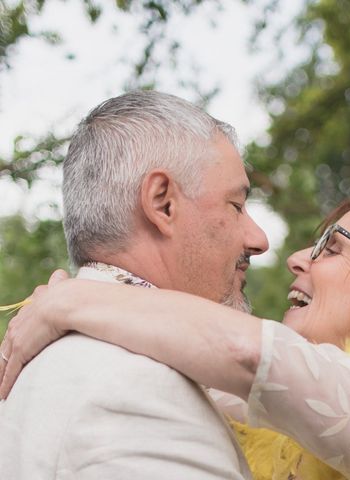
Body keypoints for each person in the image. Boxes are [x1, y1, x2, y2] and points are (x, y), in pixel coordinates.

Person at [0, 186, 350, 479]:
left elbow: (243, 353)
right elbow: (194, 362)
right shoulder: (285, 417)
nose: (294, 258)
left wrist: (74, 299)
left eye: (333, 248)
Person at [0, 90, 269, 479]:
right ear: (162, 204)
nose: (259, 239)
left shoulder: (40, 363)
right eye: (236, 205)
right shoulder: (144, 391)